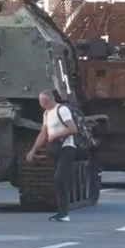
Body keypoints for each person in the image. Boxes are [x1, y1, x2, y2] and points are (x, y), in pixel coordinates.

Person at [26, 90, 79, 222]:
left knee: (60, 178)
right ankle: (61, 212)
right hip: (55, 150)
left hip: (67, 148)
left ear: (47, 100)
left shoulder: (62, 110)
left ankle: (64, 212)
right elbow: (43, 134)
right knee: (57, 180)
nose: (40, 103)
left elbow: (73, 129)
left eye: (41, 101)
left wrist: (56, 135)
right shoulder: (47, 114)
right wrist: (33, 150)